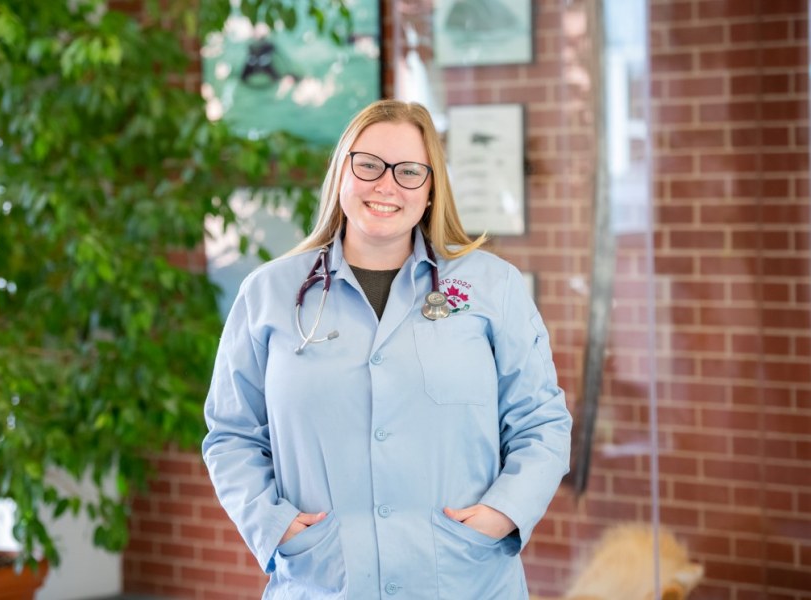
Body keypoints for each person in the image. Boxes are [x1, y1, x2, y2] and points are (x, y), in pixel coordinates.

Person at [202, 99, 571, 599]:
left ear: (430, 189)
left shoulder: (493, 287)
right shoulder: (269, 294)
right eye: (369, 164)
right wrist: (274, 525)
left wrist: (503, 513)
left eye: (409, 172)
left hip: (465, 580)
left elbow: (542, 423)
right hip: (323, 580)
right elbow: (232, 433)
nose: (386, 184)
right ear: (342, 173)